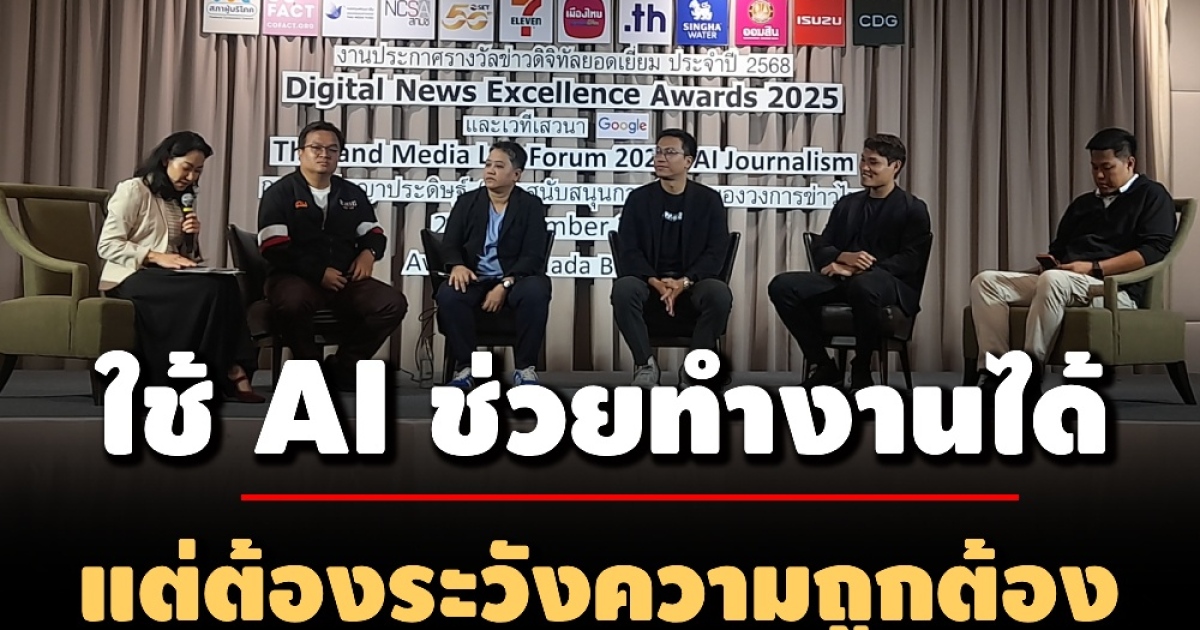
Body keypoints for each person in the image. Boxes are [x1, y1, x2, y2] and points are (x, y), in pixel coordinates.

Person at [969, 127, 1176, 390]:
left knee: (1053, 280)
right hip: (1065, 280)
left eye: (1107, 167)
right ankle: (995, 371)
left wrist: (1094, 268)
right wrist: (1047, 265)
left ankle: (1029, 376)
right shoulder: (1083, 204)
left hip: (1115, 288)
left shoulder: (1152, 196)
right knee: (986, 281)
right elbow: (1059, 249)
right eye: (1094, 168)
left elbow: (1154, 251)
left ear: (1130, 163)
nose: (1099, 175)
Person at [97, 131, 264, 403]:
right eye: (187, 168)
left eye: (198, 171)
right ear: (166, 160)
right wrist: (154, 256)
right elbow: (107, 245)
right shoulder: (133, 190)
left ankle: (227, 369)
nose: (191, 177)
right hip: (130, 277)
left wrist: (191, 239)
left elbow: (181, 255)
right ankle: (222, 373)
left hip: (166, 277)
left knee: (226, 284)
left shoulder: (179, 199)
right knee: (209, 290)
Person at [768, 134, 932, 392]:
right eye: (863, 160)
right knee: (782, 286)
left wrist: (858, 268)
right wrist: (844, 257)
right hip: (843, 280)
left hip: (889, 284)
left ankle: (861, 367)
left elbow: (910, 260)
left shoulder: (913, 208)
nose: (864, 168)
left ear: (895, 166)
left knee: (863, 285)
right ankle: (824, 365)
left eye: (873, 162)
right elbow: (821, 247)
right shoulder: (848, 204)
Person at [257, 121, 407, 391]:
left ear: (339, 156)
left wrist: (369, 254)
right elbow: (274, 247)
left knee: (391, 303)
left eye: (332, 149)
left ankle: (344, 366)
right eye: (316, 148)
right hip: (292, 277)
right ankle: (309, 371)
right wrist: (318, 272)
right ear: (300, 152)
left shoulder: (351, 193)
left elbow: (374, 234)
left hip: (343, 280)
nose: (324, 154)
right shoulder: (279, 193)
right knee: (293, 303)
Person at [611, 128, 733, 388]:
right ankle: (646, 365)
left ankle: (694, 370)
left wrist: (683, 282)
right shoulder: (638, 199)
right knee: (623, 289)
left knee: (719, 293)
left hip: (692, 286)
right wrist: (655, 282)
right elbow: (629, 250)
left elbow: (716, 252)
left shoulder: (708, 201)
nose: (660, 158)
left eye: (669, 152)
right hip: (649, 287)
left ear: (688, 161)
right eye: (657, 151)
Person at [435, 141, 552, 389]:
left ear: (516, 175)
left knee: (536, 289)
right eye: (488, 164)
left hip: (515, 280)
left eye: (499, 166)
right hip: (475, 278)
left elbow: (533, 255)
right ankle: (466, 368)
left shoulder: (530, 206)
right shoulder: (467, 202)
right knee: (449, 293)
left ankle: (525, 369)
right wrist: (457, 265)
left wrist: (505, 284)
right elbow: (450, 244)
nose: (490, 170)